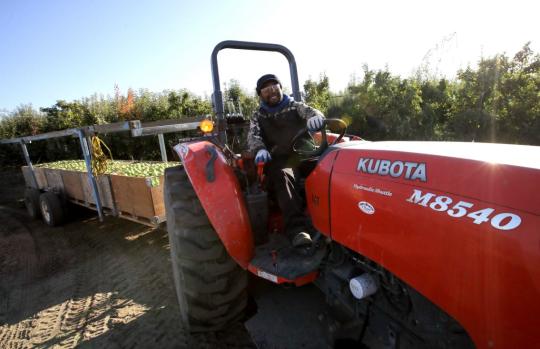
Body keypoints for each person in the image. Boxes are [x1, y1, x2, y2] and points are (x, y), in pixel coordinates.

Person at [247, 74, 325, 248]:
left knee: (332, 166)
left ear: (281, 88)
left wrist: (316, 117)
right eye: (266, 90)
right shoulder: (258, 116)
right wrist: (259, 149)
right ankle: (298, 230)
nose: (271, 92)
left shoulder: (295, 106)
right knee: (283, 175)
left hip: (306, 154)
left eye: (275, 87)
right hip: (281, 160)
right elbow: (253, 136)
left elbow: (312, 112)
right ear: (260, 95)